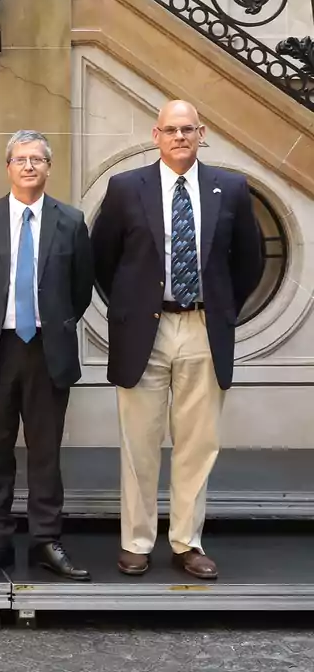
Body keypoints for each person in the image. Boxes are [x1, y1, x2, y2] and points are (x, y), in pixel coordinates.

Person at [91, 101, 263, 580]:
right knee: (139, 443)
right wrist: (128, 308)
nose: (180, 137)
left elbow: (248, 261)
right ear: (156, 134)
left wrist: (223, 308)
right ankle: (136, 542)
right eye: (171, 129)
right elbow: (104, 259)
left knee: (197, 443)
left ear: (201, 134)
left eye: (188, 129)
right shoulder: (126, 188)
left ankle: (188, 542)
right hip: (144, 329)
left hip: (203, 328)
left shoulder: (230, 188)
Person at [0, 130, 94, 580]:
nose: (29, 166)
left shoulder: (71, 221)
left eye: (37, 159)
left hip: (47, 350)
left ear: (48, 168)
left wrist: (52, 323)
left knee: (45, 453)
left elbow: (80, 290)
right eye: (21, 159)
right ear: (8, 167)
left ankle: (45, 541)